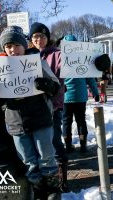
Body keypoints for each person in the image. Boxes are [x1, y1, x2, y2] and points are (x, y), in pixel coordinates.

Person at [0, 26, 61, 199]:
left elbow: (57, 86)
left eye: (16, 45)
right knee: (28, 160)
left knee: (46, 156)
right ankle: (38, 190)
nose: (13, 50)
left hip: (40, 118)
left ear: (24, 45)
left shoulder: (36, 62)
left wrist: (48, 85)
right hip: (15, 122)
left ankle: (53, 190)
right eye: (8, 46)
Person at [28, 22, 69, 192]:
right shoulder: (26, 54)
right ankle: (41, 180)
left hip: (53, 107)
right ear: (31, 39)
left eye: (43, 36)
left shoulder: (57, 54)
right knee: (38, 145)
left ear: (48, 37)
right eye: (36, 36)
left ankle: (62, 179)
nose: (39, 39)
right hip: (32, 109)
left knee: (54, 141)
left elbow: (65, 76)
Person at [61, 34, 100, 153]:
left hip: (65, 97)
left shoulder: (61, 60)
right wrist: (95, 93)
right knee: (81, 121)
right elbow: (91, 79)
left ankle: (68, 146)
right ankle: (83, 146)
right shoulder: (83, 60)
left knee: (66, 121)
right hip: (80, 96)